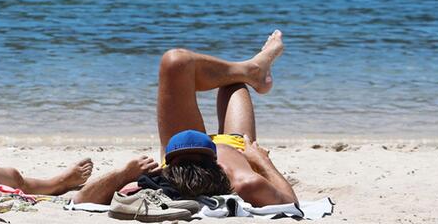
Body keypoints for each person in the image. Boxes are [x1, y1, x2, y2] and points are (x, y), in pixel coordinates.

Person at [74, 30, 297, 210]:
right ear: (216, 161)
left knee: (175, 62)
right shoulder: (246, 181)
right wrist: (262, 161)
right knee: (233, 84)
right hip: (237, 146)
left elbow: (81, 200)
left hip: (181, 147)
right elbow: (291, 204)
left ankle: (252, 70)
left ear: (166, 167)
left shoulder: (156, 180)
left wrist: (124, 173)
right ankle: (252, 70)